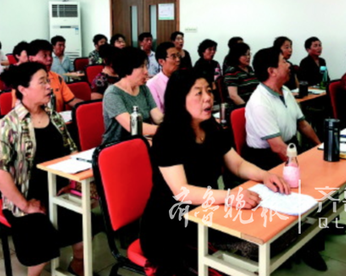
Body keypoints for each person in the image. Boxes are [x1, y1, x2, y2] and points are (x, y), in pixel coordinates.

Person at [140, 69, 290, 275]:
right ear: (179, 98)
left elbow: (237, 164)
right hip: (170, 225)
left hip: (207, 211)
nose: (208, 98)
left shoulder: (211, 128)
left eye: (209, 91)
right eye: (199, 93)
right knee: (257, 246)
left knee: (275, 234)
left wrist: (264, 175)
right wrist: (230, 197)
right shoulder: (167, 136)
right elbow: (182, 191)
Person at [0, 62, 97, 276]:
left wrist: (74, 185)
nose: (49, 86)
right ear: (22, 89)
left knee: (85, 233)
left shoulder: (55, 118)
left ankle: (76, 267)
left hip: (58, 191)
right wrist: (24, 204)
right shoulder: (8, 124)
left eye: (48, 81)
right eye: (42, 82)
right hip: (25, 198)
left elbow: (72, 155)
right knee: (40, 252)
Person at [244, 46, 335, 271]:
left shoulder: (284, 91)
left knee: (324, 176)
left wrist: (320, 147)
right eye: (284, 61)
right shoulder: (259, 101)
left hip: (289, 151)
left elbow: (302, 123)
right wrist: (303, 166)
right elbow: (277, 147)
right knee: (303, 186)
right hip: (265, 160)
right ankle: (303, 242)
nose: (289, 64)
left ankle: (319, 226)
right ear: (272, 70)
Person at [102, 47, 163, 145]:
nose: (146, 71)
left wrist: (174, 124)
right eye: (142, 67)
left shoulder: (143, 89)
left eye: (146, 66)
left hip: (141, 141)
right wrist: (166, 130)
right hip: (117, 146)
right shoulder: (113, 94)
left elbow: (158, 117)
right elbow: (133, 127)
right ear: (127, 68)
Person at [28, 40, 82, 112]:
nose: (50, 59)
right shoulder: (22, 81)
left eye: (50, 55)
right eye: (45, 56)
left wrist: (87, 107)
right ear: (32, 59)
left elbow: (71, 100)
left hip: (57, 120)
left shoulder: (57, 78)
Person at [147, 42, 180, 113]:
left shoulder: (183, 80)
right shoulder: (152, 84)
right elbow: (158, 114)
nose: (178, 59)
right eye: (173, 56)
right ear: (161, 61)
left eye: (178, 56)